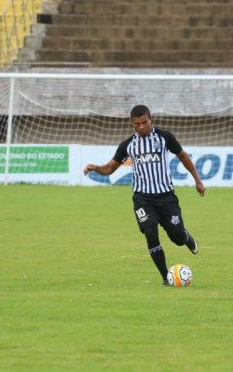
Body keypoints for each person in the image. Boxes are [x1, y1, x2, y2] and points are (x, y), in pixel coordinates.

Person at [84, 105, 205, 286]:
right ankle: (166, 277)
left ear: (151, 120)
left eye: (145, 123)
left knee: (177, 237)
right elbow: (110, 168)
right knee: (150, 232)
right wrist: (95, 167)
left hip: (166, 197)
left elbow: (183, 156)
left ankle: (186, 238)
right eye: (137, 124)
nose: (141, 127)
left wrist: (198, 180)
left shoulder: (165, 138)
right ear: (132, 124)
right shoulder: (128, 145)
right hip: (143, 200)